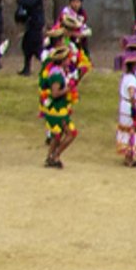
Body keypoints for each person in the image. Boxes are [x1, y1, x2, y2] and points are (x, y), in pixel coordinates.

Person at [39, 32, 78, 169]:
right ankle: (56, 154)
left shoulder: (60, 71)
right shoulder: (56, 75)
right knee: (71, 133)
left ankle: (50, 157)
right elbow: (55, 93)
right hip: (57, 110)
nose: (70, 60)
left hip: (59, 108)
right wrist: (68, 89)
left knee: (57, 135)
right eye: (68, 58)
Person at [117, 48, 136, 167]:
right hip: (129, 107)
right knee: (132, 131)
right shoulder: (131, 79)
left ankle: (128, 156)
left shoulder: (126, 76)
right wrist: (135, 106)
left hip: (125, 106)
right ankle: (129, 158)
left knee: (127, 131)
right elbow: (132, 93)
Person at [14, 0, 47, 75]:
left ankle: (48, 66)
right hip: (33, 20)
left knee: (37, 48)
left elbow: (30, 1)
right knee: (27, 45)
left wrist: (21, 0)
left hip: (35, 20)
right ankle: (26, 68)